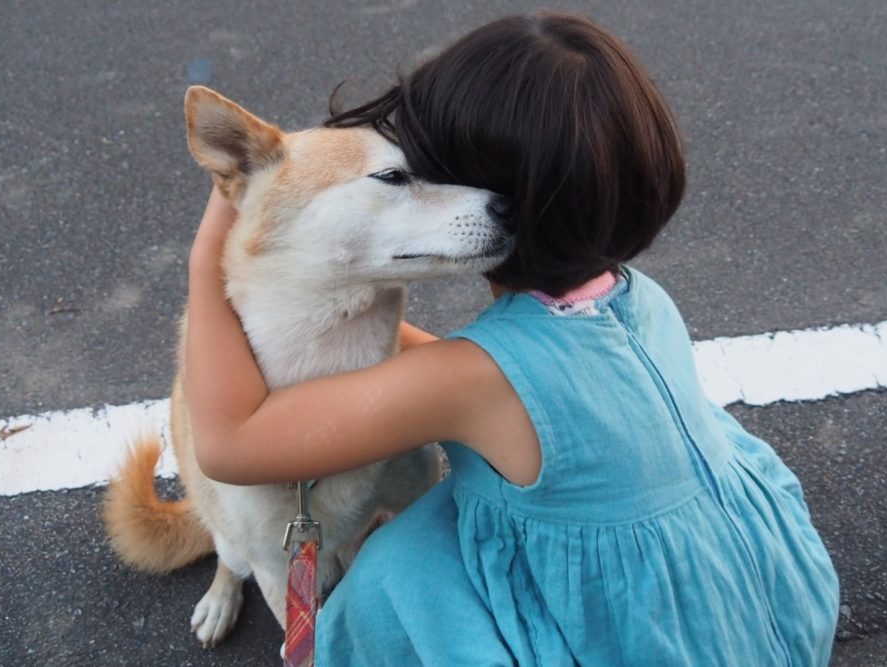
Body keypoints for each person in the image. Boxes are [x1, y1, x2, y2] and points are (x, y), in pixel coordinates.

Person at [186, 12, 840, 666]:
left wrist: (221, 232)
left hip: (648, 644)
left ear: (492, 199)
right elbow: (418, 359)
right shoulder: (636, 297)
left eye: (427, 170)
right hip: (765, 598)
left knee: (396, 566)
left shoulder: (473, 381)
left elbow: (230, 441)